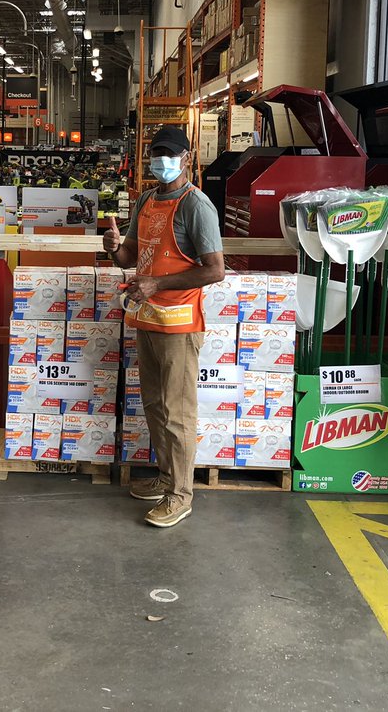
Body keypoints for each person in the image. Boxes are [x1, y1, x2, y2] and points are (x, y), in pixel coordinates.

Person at [103, 126, 225, 527]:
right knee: (155, 405)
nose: (161, 161)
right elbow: (129, 258)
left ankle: (181, 495)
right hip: (147, 318)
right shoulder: (147, 200)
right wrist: (114, 248)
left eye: (170, 154)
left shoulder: (197, 205)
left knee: (177, 411)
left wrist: (158, 283)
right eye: (156, 154)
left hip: (179, 323)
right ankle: (166, 477)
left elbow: (214, 270)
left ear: (187, 158)